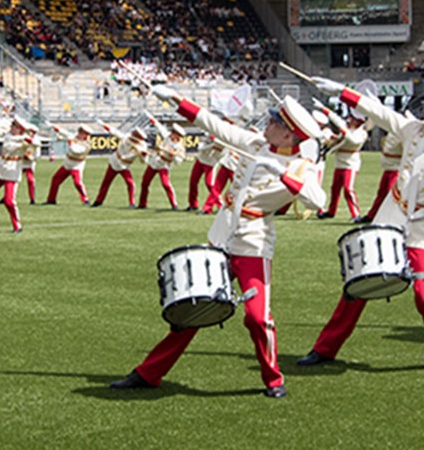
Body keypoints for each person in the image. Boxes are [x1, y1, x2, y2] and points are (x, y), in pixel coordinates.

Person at [109, 89, 325, 398]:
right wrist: (174, 99)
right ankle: (148, 373)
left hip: (253, 243)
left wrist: (287, 175)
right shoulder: (254, 143)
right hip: (221, 237)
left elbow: (318, 200)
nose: (269, 123)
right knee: (192, 308)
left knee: (257, 318)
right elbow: (212, 124)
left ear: (289, 136)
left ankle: (273, 378)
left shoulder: (302, 165)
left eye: (275, 121)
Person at [295, 82, 424, 373]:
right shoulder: (414, 130)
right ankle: (325, 348)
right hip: (391, 216)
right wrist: (343, 91)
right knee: (357, 285)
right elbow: (378, 112)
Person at [316, 106, 369, 221]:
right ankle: (331, 211)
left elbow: (352, 141)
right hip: (339, 161)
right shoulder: (348, 129)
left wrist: (343, 130)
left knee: (348, 188)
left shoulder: (361, 133)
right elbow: (340, 139)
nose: (350, 119)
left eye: (353, 118)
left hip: (350, 163)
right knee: (335, 188)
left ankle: (355, 214)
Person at [360, 115, 408, 224]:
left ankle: (389, 217)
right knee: (382, 193)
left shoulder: (403, 136)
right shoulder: (392, 133)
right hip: (388, 167)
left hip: (396, 168)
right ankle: (372, 215)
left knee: (390, 195)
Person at [91, 127, 146, 208]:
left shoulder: (142, 146)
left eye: (135, 135)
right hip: (115, 161)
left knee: (130, 184)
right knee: (106, 182)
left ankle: (132, 203)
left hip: (125, 166)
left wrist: (143, 155)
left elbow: (144, 161)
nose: (132, 135)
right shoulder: (127, 137)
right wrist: (106, 127)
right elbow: (116, 133)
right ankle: (98, 201)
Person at [137, 123, 185, 209]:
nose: (172, 135)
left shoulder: (179, 147)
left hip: (164, 165)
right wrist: (153, 121)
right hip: (155, 161)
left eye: (174, 133)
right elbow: (160, 128)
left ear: (178, 136)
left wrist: (172, 156)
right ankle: (142, 204)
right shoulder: (167, 136)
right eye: (172, 132)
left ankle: (174, 204)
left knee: (165, 184)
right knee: (145, 182)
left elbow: (178, 160)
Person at [44, 124, 93, 205]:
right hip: (67, 163)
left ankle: (85, 199)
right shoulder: (74, 137)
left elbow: (76, 151)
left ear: (86, 135)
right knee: (55, 179)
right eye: (79, 131)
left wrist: (70, 143)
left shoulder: (87, 144)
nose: (79, 134)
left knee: (78, 183)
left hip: (77, 165)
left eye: (82, 133)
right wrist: (57, 129)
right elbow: (65, 133)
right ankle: (51, 200)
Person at [186, 131, 223, 211]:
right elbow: (200, 148)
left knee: (210, 184)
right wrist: (212, 144)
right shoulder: (209, 139)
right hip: (200, 160)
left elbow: (219, 155)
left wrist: (217, 144)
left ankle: (221, 204)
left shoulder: (222, 142)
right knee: (193, 181)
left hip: (210, 164)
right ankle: (193, 204)